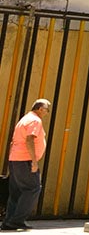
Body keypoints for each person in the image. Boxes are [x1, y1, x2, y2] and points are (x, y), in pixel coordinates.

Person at [4, 99, 50, 232]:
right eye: (47, 110)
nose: (46, 113)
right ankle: (16, 221)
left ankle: (9, 221)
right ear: (41, 108)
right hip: (25, 160)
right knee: (33, 188)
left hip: (15, 159)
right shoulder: (35, 120)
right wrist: (34, 161)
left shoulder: (24, 119)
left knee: (17, 192)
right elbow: (30, 138)